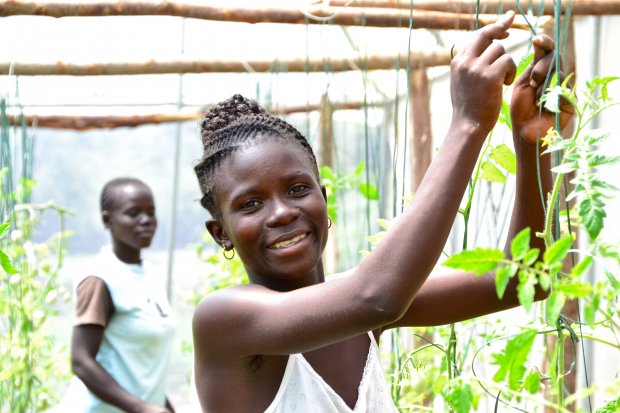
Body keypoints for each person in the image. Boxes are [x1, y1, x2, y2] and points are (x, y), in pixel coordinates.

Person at [191, 11, 573, 413]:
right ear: (221, 233)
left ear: (324, 200)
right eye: (251, 204)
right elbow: (376, 297)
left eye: (298, 189)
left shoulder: (362, 309)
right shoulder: (224, 320)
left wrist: (532, 142)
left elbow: (525, 279)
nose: (282, 212)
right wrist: (469, 122)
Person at [59, 178, 176, 413]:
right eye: (133, 213)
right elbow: (81, 361)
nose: (146, 221)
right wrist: (142, 408)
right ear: (107, 220)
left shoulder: (150, 274)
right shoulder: (99, 278)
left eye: (151, 213)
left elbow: (140, 369)